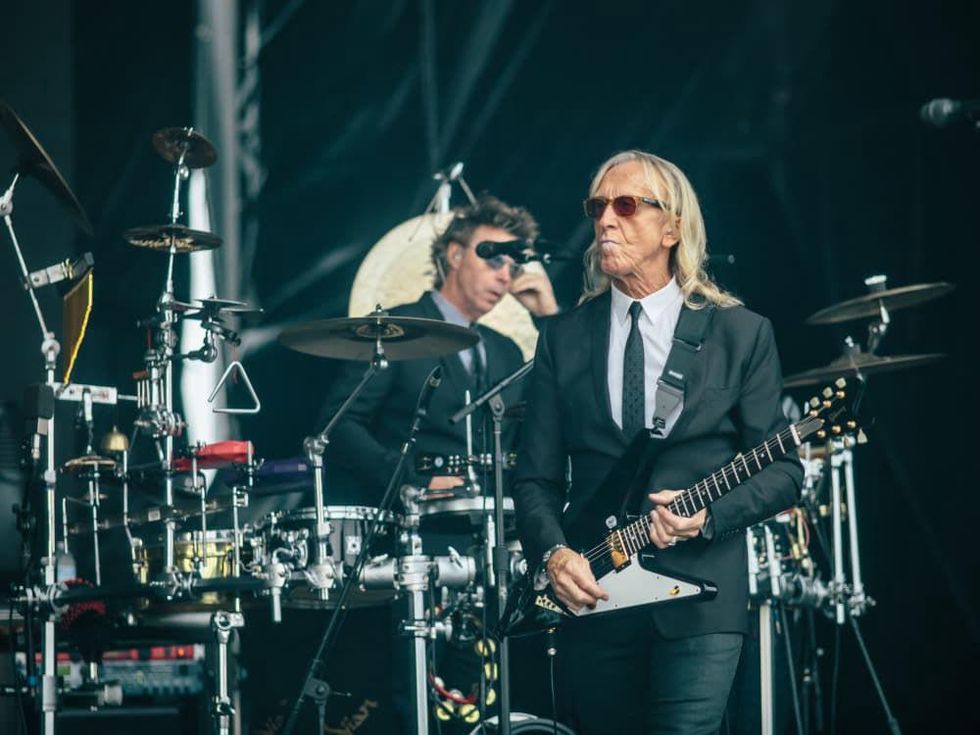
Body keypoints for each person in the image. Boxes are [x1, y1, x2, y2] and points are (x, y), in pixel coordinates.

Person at [512, 150, 803, 734]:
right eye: (598, 207)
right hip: (595, 597)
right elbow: (535, 479)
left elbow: (784, 472)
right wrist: (553, 553)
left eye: (626, 205)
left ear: (672, 227)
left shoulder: (739, 332)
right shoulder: (562, 339)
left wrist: (709, 516)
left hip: (702, 600)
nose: (605, 221)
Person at [320, 194, 558, 504]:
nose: (504, 276)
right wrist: (413, 481)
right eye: (494, 259)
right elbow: (339, 426)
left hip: (495, 533)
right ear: (456, 256)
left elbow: (560, 418)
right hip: (413, 531)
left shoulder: (508, 351)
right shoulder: (393, 329)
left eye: (513, 269)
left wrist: (550, 319)